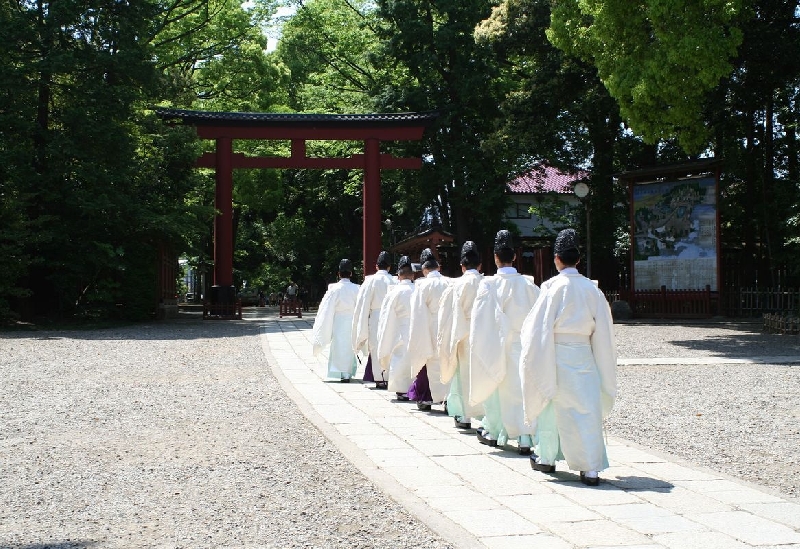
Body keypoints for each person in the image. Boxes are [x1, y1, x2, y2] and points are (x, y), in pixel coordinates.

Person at [519, 228, 617, 486]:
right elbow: (604, 332)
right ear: (578, 260)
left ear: (557, 259)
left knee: (552, 407)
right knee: (586, 410)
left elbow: (535, 329)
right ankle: (591, 468)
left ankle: (547, 457)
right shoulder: (592, 290)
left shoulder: (552, 288)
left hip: (556, 355)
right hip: (584, 354)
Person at [469, 230, 540, 454]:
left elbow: (480, 320)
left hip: (496, 344)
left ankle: (495, 430)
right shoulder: (529, 285)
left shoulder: (488, 285)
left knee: (496, 388)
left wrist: (478, 345)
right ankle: (525, 437)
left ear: (495, 257)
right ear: (515, 257)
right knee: (522, 390)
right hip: (523, 345)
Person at [438, 241, 484, 430]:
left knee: (461, 375)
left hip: (462, 333)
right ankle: (485, 415)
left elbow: (446, 314)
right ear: (480, 265)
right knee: (483, 374)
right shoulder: (486, 283)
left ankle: (463, 415)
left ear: (462, 265)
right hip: (483, 333)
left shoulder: (456, 285)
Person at [406, 248, 451, 411]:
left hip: (429, 327)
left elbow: (417, 312)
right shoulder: (449, 282)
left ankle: (426, 397)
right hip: (447, 327)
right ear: (438, 267)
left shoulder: (422, 285)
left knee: (426, 361)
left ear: (424, 269)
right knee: (448, 362)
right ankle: (449, 399)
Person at [311, 259, 361, 382]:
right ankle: (347, 373)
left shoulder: (334, 289)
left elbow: (326, 308)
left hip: (338, 320)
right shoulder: (357, 288)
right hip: (352, 320)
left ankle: (341, 371)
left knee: (339, 344)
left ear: (338, 273)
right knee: (349, 345)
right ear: (351, 273)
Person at [352, 251, 395, 388]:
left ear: (376, 266)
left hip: (375, 317)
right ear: (389, 267)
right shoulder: (394, 280)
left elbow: (362, 304)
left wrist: (361, 323)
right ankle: (389, 376)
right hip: (391, 317)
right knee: (390, 345)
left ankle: (379, 378)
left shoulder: (370, 281)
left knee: (375, 346)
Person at [376, 256, 417, 400]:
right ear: (413, 275)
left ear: (398, 275)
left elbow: (386, 317)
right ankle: (415, 387)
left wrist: (384, 337)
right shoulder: (418, 290)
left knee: (399, 356)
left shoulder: (393, 292)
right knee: (415, 358)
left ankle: (401, 389)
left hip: (399, 328)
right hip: (416, 329)